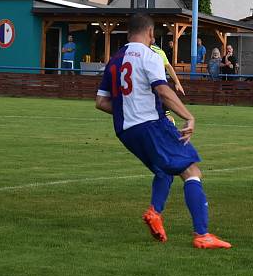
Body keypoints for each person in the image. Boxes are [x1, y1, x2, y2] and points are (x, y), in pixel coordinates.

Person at [95, 14, 231, 249]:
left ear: (129, 33)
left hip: (126, 131)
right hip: (152, 125)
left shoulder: (115, 59)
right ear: (150, 33)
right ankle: (202, 235)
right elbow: (164, 91)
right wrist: (188, 116)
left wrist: (128, 114)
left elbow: (101, 102)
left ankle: (155, 212)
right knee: (191, 170)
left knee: (164, 169)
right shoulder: (150, 56)